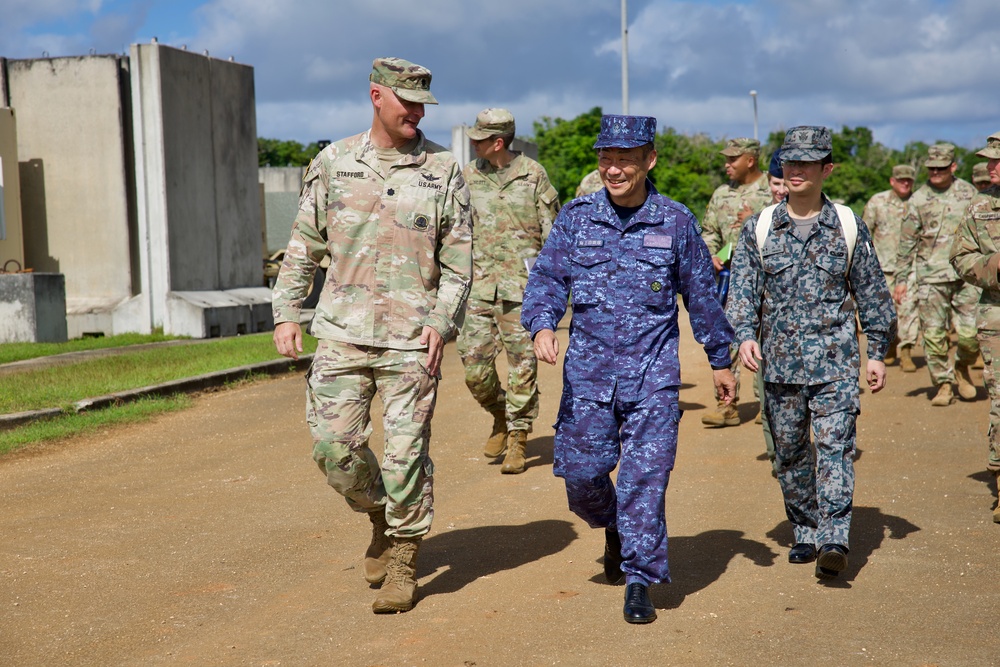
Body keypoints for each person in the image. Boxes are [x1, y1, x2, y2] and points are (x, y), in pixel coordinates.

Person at [271, 57, 473, 614]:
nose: (416, 112)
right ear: (376, 96)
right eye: (406, 101)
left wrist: (440, 321)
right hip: (341, 332)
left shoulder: (443, 171)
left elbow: (459, 265)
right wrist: (287, 311)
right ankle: (381, 516)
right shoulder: (334, 162)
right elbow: (303, 243)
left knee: (407, 453)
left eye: (422, 104)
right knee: (334, 451)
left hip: (412, 339)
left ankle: (406, 556)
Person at [522, 114, 736, 624]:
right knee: (582, 477)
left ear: (649, 161)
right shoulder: (576, 218)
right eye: (606, 159)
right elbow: (547, 280)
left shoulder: (676, 221)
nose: (613, 169)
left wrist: (720, 361)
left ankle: (639, 578)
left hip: (653, 377)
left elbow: (702, 297)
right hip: (589, 380)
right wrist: (542, 326)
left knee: (645, 478)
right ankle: (615, 526)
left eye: (624, 159)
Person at [726, 126, 896, 579]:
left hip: (835, 363)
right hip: (778, 366)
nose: (796, 170)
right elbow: (742, 293)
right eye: (790, 162)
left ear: (827, 169)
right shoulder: (759, 228)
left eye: (807, 163)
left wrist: (876, 352)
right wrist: (744, 334)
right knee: (791, 451)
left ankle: (833, 536)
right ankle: (804, 528)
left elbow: (873, 293)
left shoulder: (847, 225)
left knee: (836, 445)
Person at [459, 108, 560, 474]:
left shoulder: (533, 175)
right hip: (479, 287)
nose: (473, 143)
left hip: (523, 291)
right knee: (474, 370)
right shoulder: (468, 176)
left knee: (523, 367)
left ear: (497, 142)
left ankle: (518, 436)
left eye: (479, 138)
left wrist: (554, 289)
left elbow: (553, 235)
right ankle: (499, 413)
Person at [896, 144, 980, 405]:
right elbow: (906, 241)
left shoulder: (970, 193)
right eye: (931, 168)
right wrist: (900, 280)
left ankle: (961, 368)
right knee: (932, 335)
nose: (935, 172)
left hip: (967, 275)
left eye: (941, 168)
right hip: (931, 276)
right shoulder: (918, 199)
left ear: (953, 167)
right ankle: (943, 384)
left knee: (971, 335)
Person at [700, 138, 773, 427]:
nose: (727, 165)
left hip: (768, 279)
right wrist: (711, 254)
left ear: (750, 160)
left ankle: (769, 406)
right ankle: (727, 405)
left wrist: (753, 219)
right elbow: (709, 232)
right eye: (726, 160)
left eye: (733, 159)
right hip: (730, 279)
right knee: (726, 338)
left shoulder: (774, 189)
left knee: (767, 339)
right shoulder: (720, 194)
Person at [950, 131, 1000, 522]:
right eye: (989, 160)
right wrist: (994, 268)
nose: (990, 167)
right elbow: (961, 256)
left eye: (998, 161)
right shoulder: (980, 207)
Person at [863, 165, 919, 371]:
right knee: (885, 313)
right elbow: (865, 232)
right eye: (901, 179)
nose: (905, 183)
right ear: (892, 181)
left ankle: (906, 352)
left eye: (909, 180)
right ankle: (890, 345)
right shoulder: (877, 202)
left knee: (908, 309)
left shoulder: (918, 201)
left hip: (911, 266)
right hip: (882, 267)